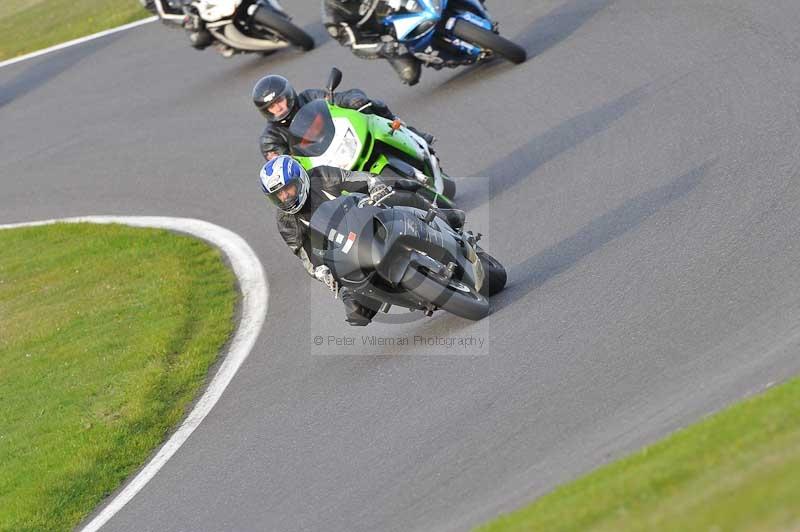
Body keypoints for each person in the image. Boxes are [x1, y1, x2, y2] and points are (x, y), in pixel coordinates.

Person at [260, 155, 464, 326]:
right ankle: (414, 296)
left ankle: (441, 217)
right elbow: (305, 255)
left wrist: (374, 186)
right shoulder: (286, 221)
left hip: (367, 219)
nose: (285, 197)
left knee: (397, 190)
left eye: (288, 189)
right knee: (356, 314)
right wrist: (320, 271)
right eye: (278, 195)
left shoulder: (321, 175)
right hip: (346, 253)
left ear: (300, 179)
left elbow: (359, 179)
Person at [253, 74, 434, 161]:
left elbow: (335, 98)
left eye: (279, 101)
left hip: (342, 139)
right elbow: (283, 164)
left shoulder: (308, 97)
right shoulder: (270, 139)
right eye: (271, 106)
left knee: (373, 105)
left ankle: (413, 136)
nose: (277, 107)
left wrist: (354, 100)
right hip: (319, 164)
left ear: (288, 95)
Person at [321, 0, 422, 85]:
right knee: (409, 75)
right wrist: (383, 48)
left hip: (405, 7)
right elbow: (356, 45)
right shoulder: (332, 18)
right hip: (390, 37)